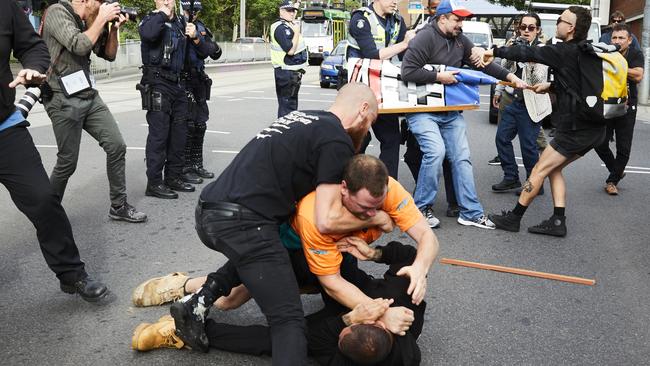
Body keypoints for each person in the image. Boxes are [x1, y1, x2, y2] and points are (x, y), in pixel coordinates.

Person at [168, 83, 383, 365]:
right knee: (288, 320)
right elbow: (326, 219)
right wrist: (378, 218)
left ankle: (196, 303)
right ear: (363, 109)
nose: (367, 130)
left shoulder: (304, 118)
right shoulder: (335, 140)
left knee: (271, 248)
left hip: (212, 209)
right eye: (371, 122)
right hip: (244, 222)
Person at [132, 241, 426, 365]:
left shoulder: (340, 356)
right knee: (308, 251)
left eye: (345, 332)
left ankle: (179, 331)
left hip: (336, 322)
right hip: (353, 285)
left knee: (277, 339)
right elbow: (409, 255)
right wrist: (373, 253)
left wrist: (346, 321)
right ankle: (187, 285)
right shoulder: (405, 302)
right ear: (377, 321)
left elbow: (328, 335)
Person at [0, 0, 107, 302]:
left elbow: (33, 46)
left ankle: (73, 275)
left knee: (43, 199)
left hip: (4, 128)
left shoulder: (5, 7)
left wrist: (33, 67)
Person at [400, 0, 526, 230]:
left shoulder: (459, 39)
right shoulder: (425, 37)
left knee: (462, 158)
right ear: (442, 19)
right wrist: (439, 77)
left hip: (449, 112)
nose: (461, 24)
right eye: (457, 19)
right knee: (435, 152)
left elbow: (484, 65)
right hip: (422, 111)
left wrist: (511, 78)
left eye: (463, 19)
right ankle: (421, 209)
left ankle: (470, 212)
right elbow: (407, 71)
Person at [485, 6, 611, 237]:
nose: (559, 24)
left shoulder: (563, 50)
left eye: (562, 20)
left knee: (539, 169)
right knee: (554, 169)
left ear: (571, 28)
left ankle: (514, 218)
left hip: (575, 130)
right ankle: (558, 221)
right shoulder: (584, 50)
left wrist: (494, 51)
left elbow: (526, 53)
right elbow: (578, 83)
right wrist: (551, 86)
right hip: (595, 129)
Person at [40, 0, 146, 222]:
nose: (102, 7)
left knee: (117, 146)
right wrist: (101, 19)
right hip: (62, 98)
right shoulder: (57, 13)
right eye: (99, 3)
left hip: (88, 95)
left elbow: (109, 55)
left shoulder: (87, 21)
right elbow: (78, 45)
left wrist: (114, 29)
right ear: (84, 1)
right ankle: (47, 214)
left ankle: (118, 206)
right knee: (68, 162)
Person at [139, 0, 207, 198]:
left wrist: (195, 37)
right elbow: (149, 34)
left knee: (179, 134)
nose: (168, 1)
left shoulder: (180, 23)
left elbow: (203, 52)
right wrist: (162, 13)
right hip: (158, 82)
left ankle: (173, 177)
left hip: (177, 85)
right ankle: (154, 183)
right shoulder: (151, 19)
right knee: (159, 136)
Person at [403, 0, 460, 220]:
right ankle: (424, 197)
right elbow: (407, 68)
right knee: (416, 154)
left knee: (447, 155)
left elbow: (467, 57)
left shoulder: (455, 34)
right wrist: (438, 75)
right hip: (418, 103)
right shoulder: (422, 32)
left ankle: (453, 202)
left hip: (444, 105)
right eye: (433, 4)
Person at [346, 0, 416, 178]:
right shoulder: (361, 19)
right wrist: (405, 44)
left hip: (383, 88)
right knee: (358, 139)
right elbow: (371, 55)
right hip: (357, 90)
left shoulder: (398, 21)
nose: (395, 2)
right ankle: (346, 182)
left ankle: (387, 187)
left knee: (391, 139)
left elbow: (403, 56)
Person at [491, 13, 550, 194]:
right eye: (523, 27)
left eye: (531, 28)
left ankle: (534, 185)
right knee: (502, 138)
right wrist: (499, 91)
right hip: (513, 101)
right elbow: (504, 69)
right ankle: (511, 177)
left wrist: (526, 57)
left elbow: (537, 79)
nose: (526, 31)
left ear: (538, 30)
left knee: (528, 147)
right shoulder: (513, 45)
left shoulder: (542, 50)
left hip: (531, 104)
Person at [594, 24, 644, 196]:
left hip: (628, 105)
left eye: (621, 38)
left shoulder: (635, 54)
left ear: (629, 40)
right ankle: (616, 169)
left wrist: (617, 66)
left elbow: (638, 75)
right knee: (599, 142)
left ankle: (612, 181)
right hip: (607, 103)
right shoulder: (606, 53)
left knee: (624, 147)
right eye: (614, 38)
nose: (617, 41)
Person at [179, 0, 222, 184]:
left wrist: (201, 39)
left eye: (196, 11)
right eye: (190, 10)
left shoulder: (200, 27)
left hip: (198, 80)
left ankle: (197, 163)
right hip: (184, 80)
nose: (193, 14)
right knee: (188, 125)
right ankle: (185, 166)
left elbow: (213, 51)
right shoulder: (178, 26)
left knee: (200, 124)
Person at [270, 0, 308, 118]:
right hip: (285, 72)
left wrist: (297, 4)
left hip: (290, 72)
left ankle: (287, 131)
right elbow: (290, 50)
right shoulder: (281, 28)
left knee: (290, 105)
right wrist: (297, 32)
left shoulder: (287, 23)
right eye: (289, 11)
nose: (292, 13)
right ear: (281, 11)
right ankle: (283, 132)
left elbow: (292, 14)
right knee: (287, 106)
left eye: (293, 11)